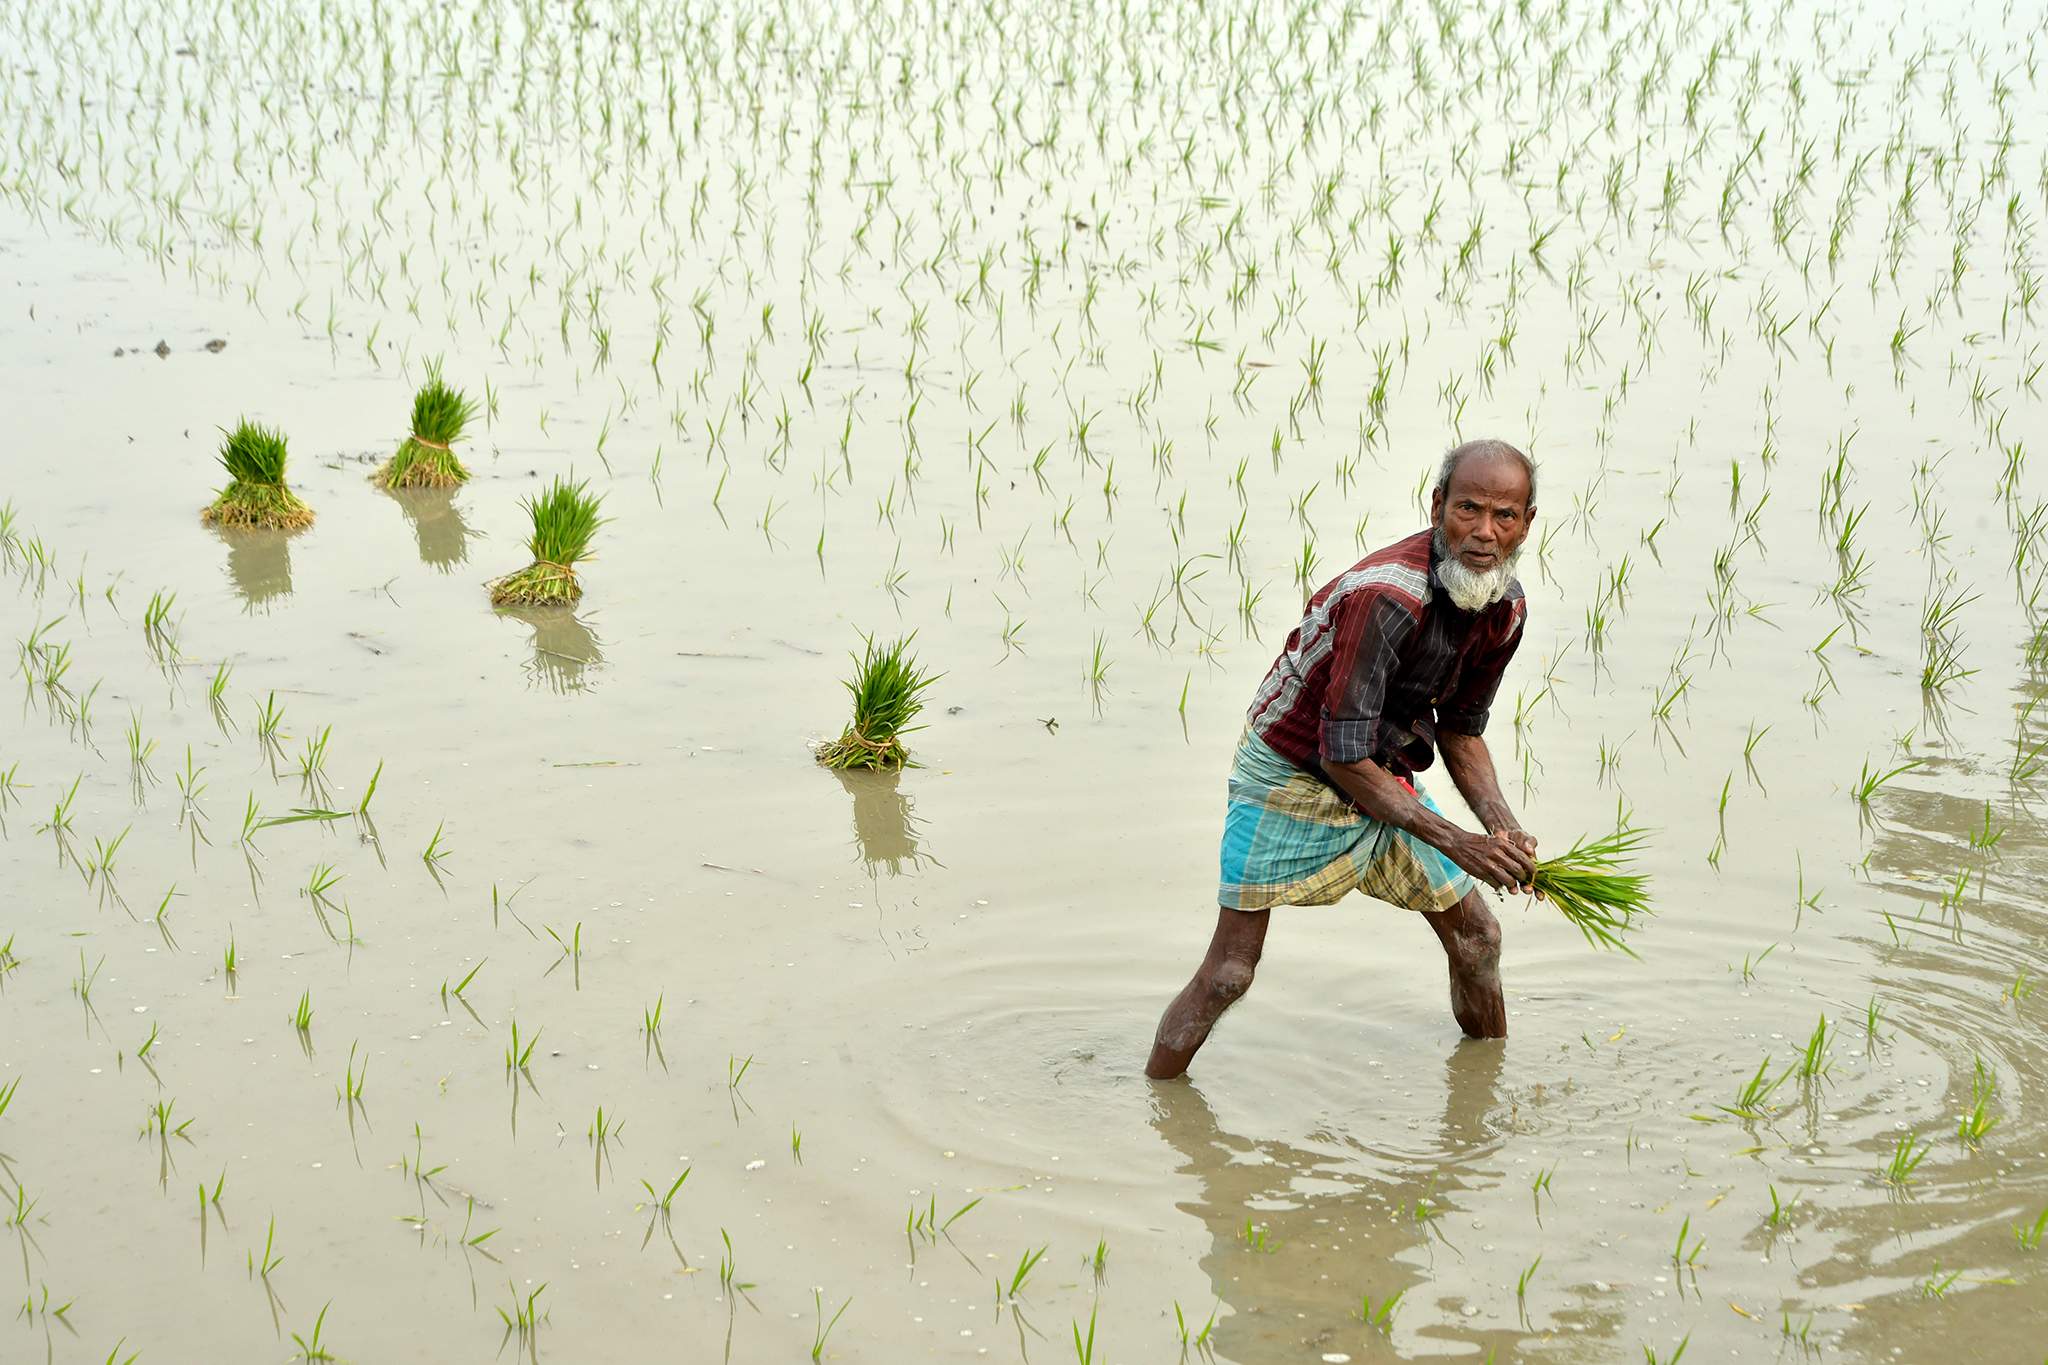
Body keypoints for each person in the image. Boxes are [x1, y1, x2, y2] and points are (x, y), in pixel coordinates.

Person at [1145, 439, 1539, 1080]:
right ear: (1437, 506)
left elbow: (1462, 733)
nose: (1485, 533)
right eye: (1469, 509)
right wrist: (1462, 844)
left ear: (1526, 524)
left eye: (1506, 516)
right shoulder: (1387, 597)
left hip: (1381, 769)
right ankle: (1158, 1102)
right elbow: (1341, 756)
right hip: (1294, 769)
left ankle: (1486, 1097)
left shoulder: (1505, 608)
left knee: (1479, 939)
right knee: (1229, 974)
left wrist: (1500, 829)